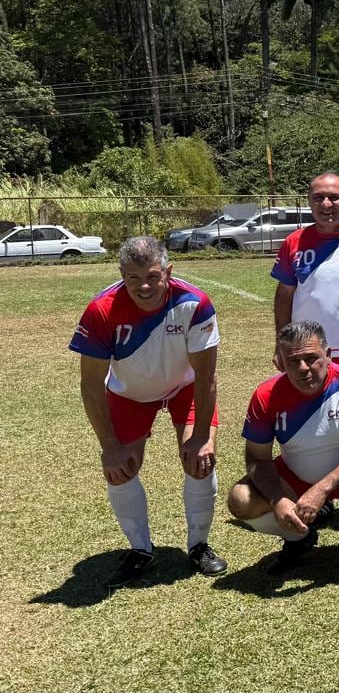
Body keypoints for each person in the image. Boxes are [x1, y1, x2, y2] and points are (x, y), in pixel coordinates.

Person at [69, 236, 226, 588]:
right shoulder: (101, 309)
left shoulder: (195, 303)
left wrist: (202, 436)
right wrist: (109, 446)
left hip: (185, 388)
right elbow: (91, 385)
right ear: (121, 274)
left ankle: (199, 545)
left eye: (153, 276)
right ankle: (141, 550)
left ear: (168, 272)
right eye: (134, 278)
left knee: (200, 460)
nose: (144, 286)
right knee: (120, 468)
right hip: (131, 394)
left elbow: (206, 377)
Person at [227, 321, 339, 576]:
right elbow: (257, 459)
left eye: (311, 358)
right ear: (281, 362)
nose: (303, 368)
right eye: (293, 361)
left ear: (328, 355)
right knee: (240, 500)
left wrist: (321, 489)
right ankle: (297, 538)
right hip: (295, 476)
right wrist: (278, 500)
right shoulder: (265, 395)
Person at [272, 172, 339, 379]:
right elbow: (284, 296)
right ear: (309, 201)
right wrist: (281, 343)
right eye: (318, 198)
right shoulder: (294, 242)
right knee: (307, 398)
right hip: (305, 347)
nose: (326, 204)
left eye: (334, 197)